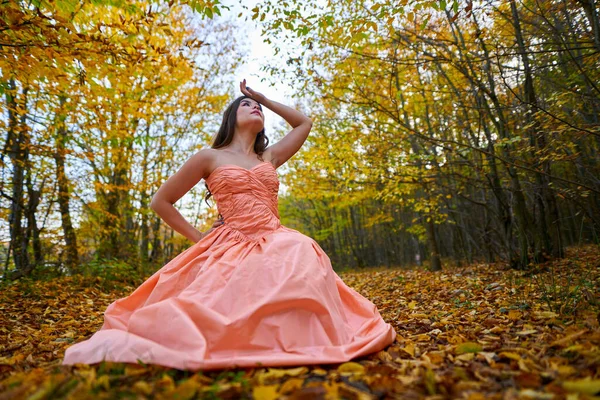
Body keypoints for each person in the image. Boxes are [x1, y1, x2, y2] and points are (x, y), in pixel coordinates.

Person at [62, 80, 397, 371]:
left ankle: (296, 337)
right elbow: (160, 202)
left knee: (300, 249)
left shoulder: (269, 158)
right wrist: (199, 239)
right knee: (214, 302)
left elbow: (303, 124)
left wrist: (263, 99)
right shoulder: (209, 157)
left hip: (274, 237)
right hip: (231, 240)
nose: (255, 109)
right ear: (230, 118)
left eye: (258, 109)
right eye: (246, 105)